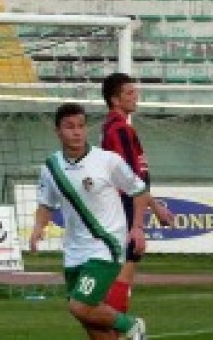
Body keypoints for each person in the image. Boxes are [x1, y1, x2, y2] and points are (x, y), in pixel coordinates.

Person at [30, 103, 149, 340]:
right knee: (91, 324)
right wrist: (38, 228)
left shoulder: (107, 161)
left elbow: (139, 190)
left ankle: (132, 325)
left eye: (81, 126)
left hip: (106, 247)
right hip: (74, 250)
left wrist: (136, 228)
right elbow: (46, 204)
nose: (76, 132)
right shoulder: (51, 167)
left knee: (79, 306)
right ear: (58, 131)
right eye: (70, 127)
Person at [101, 72, 175, 319]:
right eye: (129, 93)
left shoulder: (117, 128)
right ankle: (115, 325)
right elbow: (132, 179)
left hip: (126, 202)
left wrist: (154, 206)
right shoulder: (120, 130)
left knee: (124, 266)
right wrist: (140, 223)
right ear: (115, 100)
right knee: (126, 267)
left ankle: (112, 325)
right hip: (125, 203)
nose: (136, 97)